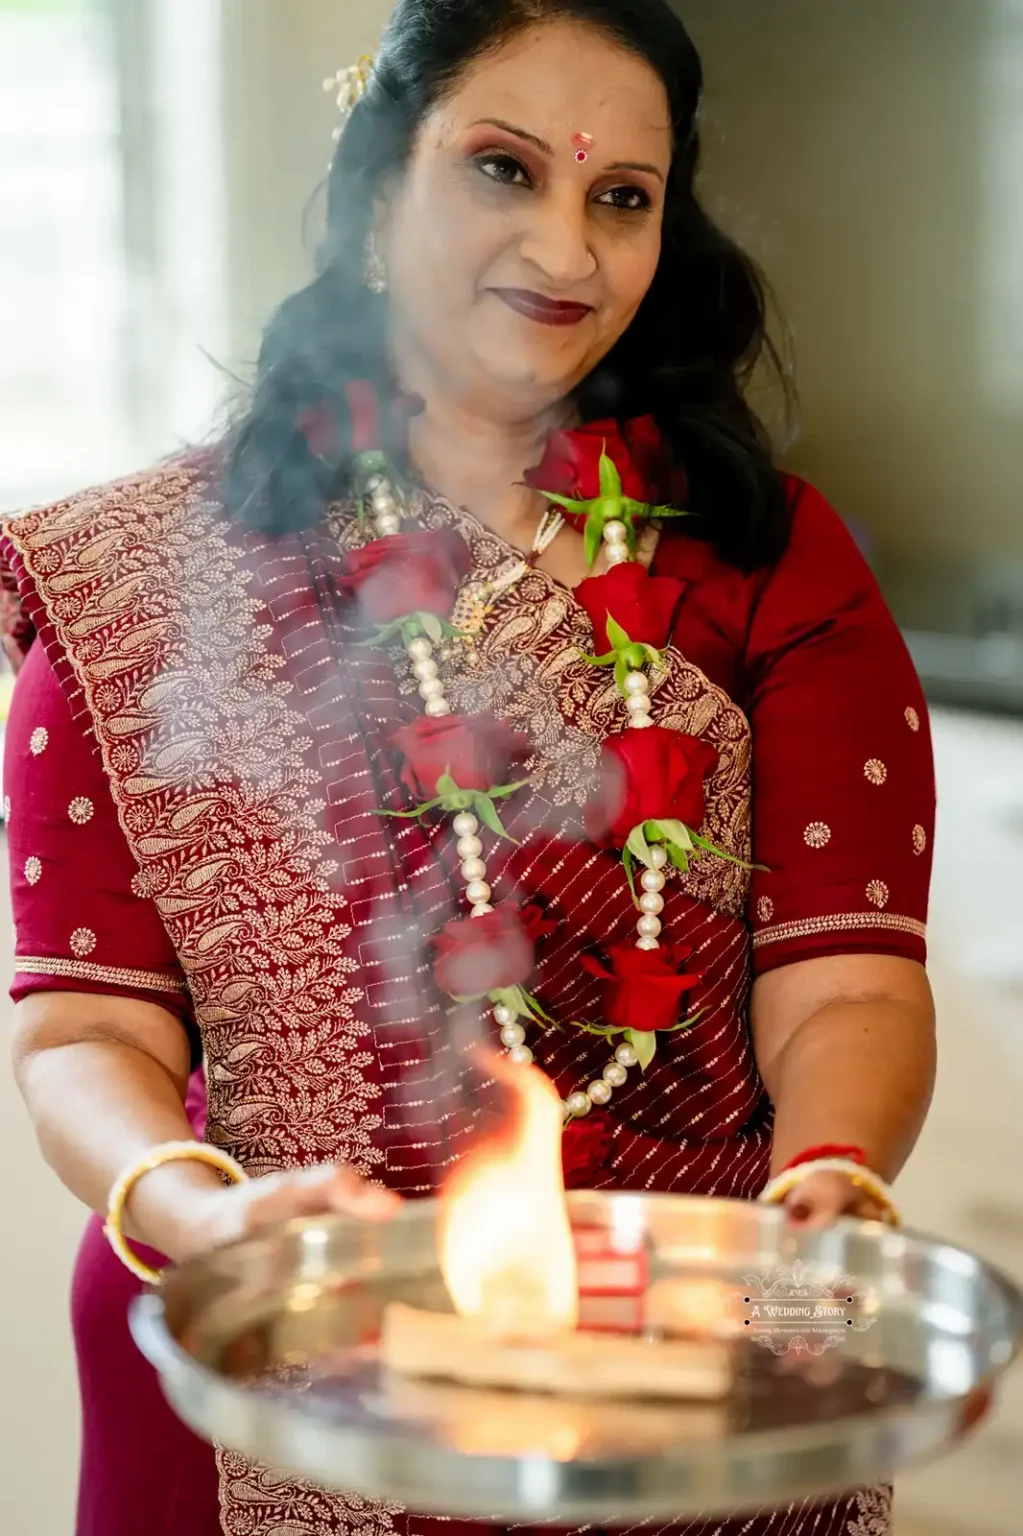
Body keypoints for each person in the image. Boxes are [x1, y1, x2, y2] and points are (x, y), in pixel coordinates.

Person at [2, 1, 936, 1533]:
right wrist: (208, 1213)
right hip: (274, 1351)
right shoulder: (146, 578)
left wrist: (827, 1187)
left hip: (683, 1354)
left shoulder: (765, 559)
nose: (566, 253)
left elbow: (843, 980)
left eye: (619, 197)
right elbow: (81, 1034)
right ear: (375, 192)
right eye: (503, 170)